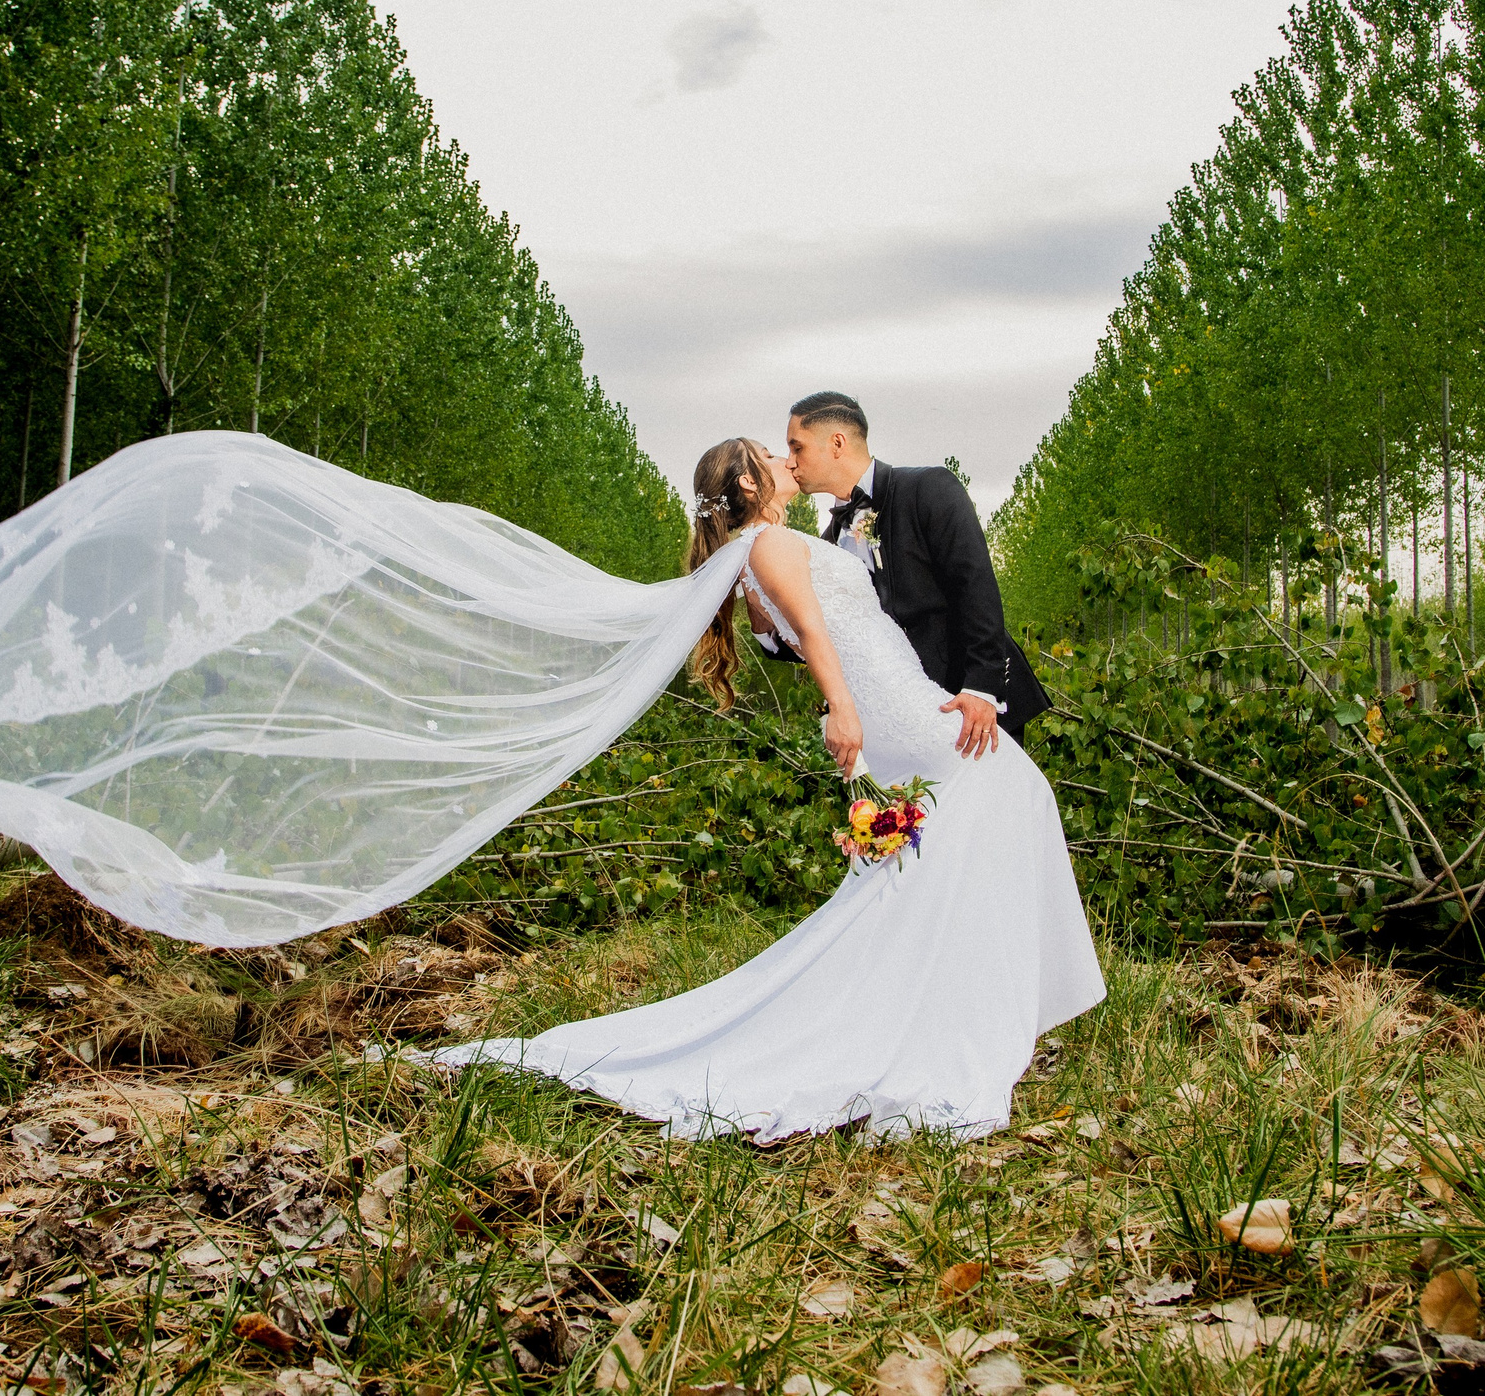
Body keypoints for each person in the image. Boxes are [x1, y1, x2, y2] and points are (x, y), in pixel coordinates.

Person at [433, 437, 1103, 1141]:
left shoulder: (752, 564)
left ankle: (948, 999)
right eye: (774, 456)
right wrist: (841, 707)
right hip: (894, 705)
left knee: (939, 846)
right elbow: (814, 632)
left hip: (886, 705)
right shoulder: (768, 546)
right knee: (1008, 787)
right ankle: (961, 1009)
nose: (790, 463)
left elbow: (778, 633)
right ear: (751, 485)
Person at [775, 391, 1049, 750]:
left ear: (837, 443)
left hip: (971, 705)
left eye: (798, 448)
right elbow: (816, 634)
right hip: (900, 719)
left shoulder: (928, 488)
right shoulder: (826, 545)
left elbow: (976, 586)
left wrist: (981, 689)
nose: (790, 462)